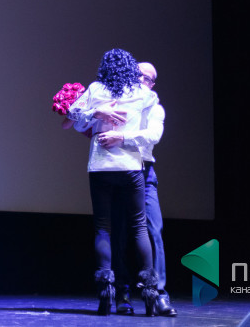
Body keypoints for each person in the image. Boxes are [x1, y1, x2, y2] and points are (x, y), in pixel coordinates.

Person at [66, 49, 160, 316]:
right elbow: (150, 130)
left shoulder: (96, 89)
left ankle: (106, 290)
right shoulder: (143, 94)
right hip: (130, 166)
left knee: (103, 228)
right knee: (139, 227)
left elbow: (73, 115)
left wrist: (96, 112)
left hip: (101, 166)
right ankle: (150, 292)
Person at [106, 62, 177, 316]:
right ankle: (123, 293)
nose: (139, 80)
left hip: (144, 172)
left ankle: (158, 294)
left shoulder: (154, 107)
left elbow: (153, 135)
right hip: (119, 171)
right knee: (120, 233)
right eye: (136, 75)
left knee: (154, 231)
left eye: (145, 78)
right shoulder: (117, 103)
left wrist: (123, 138)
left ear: (152, 83)